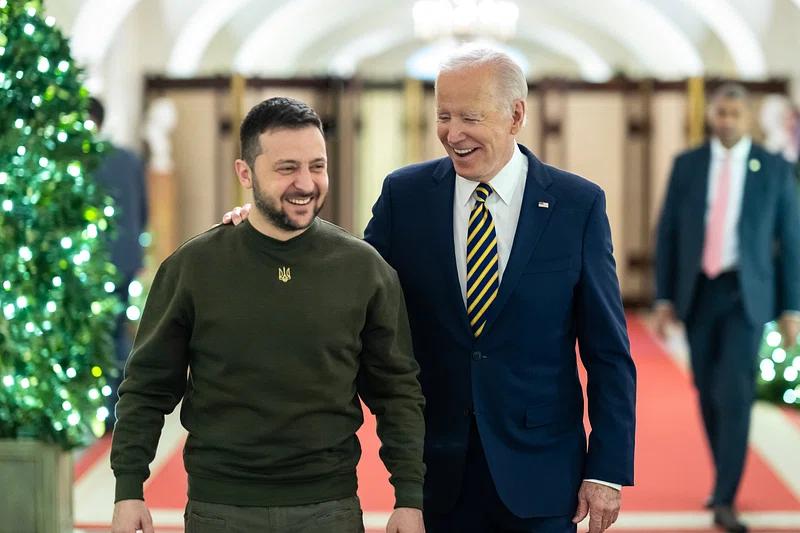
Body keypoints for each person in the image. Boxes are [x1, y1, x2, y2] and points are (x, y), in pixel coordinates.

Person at [225, 48, 636, 533]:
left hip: (542, 472)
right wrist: (269, 231)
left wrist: (607, 469)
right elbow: (346, 282)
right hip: (436, 471)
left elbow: (608, 350)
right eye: (443, 115)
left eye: (469, 117)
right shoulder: (407, 196)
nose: (452, 133)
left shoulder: (576, 204)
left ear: (516, 115)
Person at [111, 97, 426, 533]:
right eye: (287, 168)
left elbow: (397, 392)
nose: (306, 182)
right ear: (245, 173)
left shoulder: (364, 269)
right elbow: (146, 387)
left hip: (329, 506)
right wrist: (129, 489)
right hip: (219, 507)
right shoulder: (193, 268)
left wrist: (408, 497)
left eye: (317, 166)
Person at [653, 83, 800, 533]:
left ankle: (725, 495)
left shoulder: (772, 168)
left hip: (746, 294)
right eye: (721, 112)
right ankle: (723, 479)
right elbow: (668, 234)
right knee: (707, 391)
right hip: (698, 291)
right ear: (711, 115)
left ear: (747, 117)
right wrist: (662, 298)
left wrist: (792, 308)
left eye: (735, 113)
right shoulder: (688, 165)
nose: (727, 121)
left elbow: (792, 240)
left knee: (734, 393)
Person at [88, 97, 149, 431]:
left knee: (96, 336)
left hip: (93, 263)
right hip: (125, 258)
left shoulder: (83, 160)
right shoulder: (128, 159)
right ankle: (119, 408)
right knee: (118, 334)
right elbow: (143, 210)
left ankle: (100, 409)